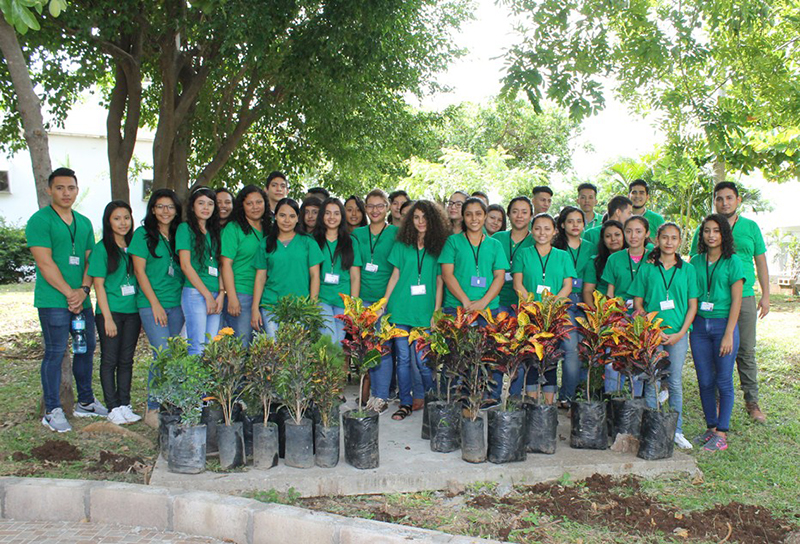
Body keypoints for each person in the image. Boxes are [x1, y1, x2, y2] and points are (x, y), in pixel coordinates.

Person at [27, 168, 107, 432]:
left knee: (85, 348)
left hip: (81, 300)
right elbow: (44, 262)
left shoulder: (83, 222)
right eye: (60, 188)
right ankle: (52, 409)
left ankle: (85, 402)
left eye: (71, 188)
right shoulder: (40, 220)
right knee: (55, 351)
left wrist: (83, 290)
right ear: (50, 190)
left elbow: (90, 260)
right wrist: (68, 292)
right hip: (53, 299)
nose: (66, 193)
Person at [689, 181, 769, 423]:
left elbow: (761, 261)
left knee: (745, 349)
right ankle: (713, 401)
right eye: (719, 198)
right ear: (714, 201)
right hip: (710, 301)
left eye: (729, 198)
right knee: (713, 352)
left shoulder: (750, 227)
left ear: (738, 201)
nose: (724, 202)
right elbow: (694, 261)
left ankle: (751, 401)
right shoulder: (705, 228)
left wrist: (765, 294)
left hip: (742, 297)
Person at [630, 222, 699, 450]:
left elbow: (692, 306)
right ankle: (652, 428)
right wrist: (652, 328)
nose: (669, 242)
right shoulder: (647, 268)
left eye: (674, 238)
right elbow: (638, 304)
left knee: (675, 382)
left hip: (678, 335)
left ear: (680, 242)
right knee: (653, 381)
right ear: (657, 240)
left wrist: (680, 333)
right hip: (653, 333)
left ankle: (676, 430)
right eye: (665, 237)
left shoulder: (688, 270)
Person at [378, 200, 448, 418]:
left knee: (422, 360)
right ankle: (406, 402)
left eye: (425, 218)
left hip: (425, 311)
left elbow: (439, 282)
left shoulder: (440, 247)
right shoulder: (401, 244)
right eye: (416, 217)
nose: (420, 222)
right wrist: (384, 303)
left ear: (433, 220)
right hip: (400, 308)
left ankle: (431, 399)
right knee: (403, 358)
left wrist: (436, 312)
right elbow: (395, 275)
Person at [130, 189, 185, 427]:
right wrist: (155, 304)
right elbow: (139, 272)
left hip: (178, 303)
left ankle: (171, 403)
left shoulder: (179, 234)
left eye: (170, 207)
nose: (165, 211)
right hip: (153, 305)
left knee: (175, 356)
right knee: (161, 354)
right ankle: (152, 408)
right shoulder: (143, 235)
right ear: (152, 209)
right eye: (160, 206)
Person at [689, 214, 745, 452]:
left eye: (716, 231)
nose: (711, 235)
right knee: (704, 380)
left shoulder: (734, 262)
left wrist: (728, 334)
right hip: (700, 326)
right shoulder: (695, 261)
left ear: (724, 234)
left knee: (723, 380)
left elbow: (737, 302)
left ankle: (722, 433)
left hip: (723, 325)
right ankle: (711, 427)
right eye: (706, 231)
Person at [512, 213, 575, 404]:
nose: (542, 232)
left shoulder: (563, 256)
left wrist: (551, 307)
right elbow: (517, 284)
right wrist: (532, 306)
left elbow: (567, 286)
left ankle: (548, 404)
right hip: (530, 314)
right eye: (538, 228)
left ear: (555, 231)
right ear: (531, 231)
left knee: (550, 357)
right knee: (532, 356)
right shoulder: (523, 254)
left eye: (547, 228)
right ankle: (532, 401)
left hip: (554, 315)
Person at [89, 201, 142, 425]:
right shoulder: (102, 249)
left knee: (127, 360)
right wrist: (107, 318)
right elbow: (98, 285)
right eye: (117, 218)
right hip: (110, 313)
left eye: (126, 218)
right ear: (108, 221)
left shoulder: (135, 247)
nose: (123, 223)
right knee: (110, 360)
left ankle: (125, 404)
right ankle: (112, 407)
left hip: (133, 312)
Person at [252, 198, 323, 338]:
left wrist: (312, 307)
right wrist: (254, 308)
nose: (287, 220)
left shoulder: (308, 242)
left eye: (292, 216)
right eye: (282, 215)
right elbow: (260, 277)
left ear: (298, 219)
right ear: (275, 216)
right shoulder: (266, 243)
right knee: (275, 349)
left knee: (295, 352)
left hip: (299, 307)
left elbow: (315, 276)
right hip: (271, 304)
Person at [552, 206, 593, 405]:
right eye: (570, 221)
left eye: (579, 221)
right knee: (570, 347)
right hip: (563, 301)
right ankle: (567, 397)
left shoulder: (591, 246)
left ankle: (580, 396)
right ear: (562, 224)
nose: (575, 225)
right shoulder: (555, 247)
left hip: (585, 301)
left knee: (584, 348)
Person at [440, 197, 509, 315]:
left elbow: (499, 277)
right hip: (456, 307)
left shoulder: (495, 245)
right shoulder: (452, 241)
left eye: (478, 214)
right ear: (463, 216)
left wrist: (482, 303)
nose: (474, 219)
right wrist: (465, 302)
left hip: (488, 308)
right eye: (468, 214)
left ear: (485, 215)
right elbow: (447, 275)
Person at [177, 186, 224, 356]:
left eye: (210, 204)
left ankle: (206, 383)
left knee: (210, 347)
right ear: (192, 206)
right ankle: (194, 383)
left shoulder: (214, 232)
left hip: (214, 294)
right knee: (197, 346)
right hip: (195, 294)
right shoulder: (185, 229)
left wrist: (221, 293)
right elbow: (186, 266)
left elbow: (220, 265)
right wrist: (207, 296)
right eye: (201, 203)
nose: (206, 208)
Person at [220, 185, 269, 347]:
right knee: (242, 346)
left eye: (259, 202)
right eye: (249, 203)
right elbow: (225, 264)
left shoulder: (270, 228)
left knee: (263, 349)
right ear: (242, 205)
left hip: (267, 296)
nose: (255, 207)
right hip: (242, 293)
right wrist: (232, 297)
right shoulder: (233, 228)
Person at [313, 197, 361, 344]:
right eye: (327, 213)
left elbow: (355, 277)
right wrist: (313, 303)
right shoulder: (313, 240)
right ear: (322, 216)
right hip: (322, 299)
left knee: (339, 344)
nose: (332, 217)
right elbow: (312, 274)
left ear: (342, 216)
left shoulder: (351, 241)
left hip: (343, 302)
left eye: (336, 213)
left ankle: (333, 368)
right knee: (329, 339)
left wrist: (353, 307)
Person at [493, 196, 534, 314]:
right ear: (508, 214)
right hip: (496, 301)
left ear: (531, 216)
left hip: (523, 304)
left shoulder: (536, 241)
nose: (519, 216)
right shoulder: (497, 238)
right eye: (515, 212)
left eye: (524, 212)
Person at [604, 215, 653, 310]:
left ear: (647, 233)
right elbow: (610, 292)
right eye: (628, 231)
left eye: (638, 231)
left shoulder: (654, 258)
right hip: (620, 313)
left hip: (647, 312)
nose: (633, 236)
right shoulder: (614, 259)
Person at [581, 220, 626, 306]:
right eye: (608, 236)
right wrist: (594, 313)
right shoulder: (595, 262)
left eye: (617, 235)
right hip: (603, 309)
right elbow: (588, 291)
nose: (613, 239)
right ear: (603, 240)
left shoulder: (632, 259)